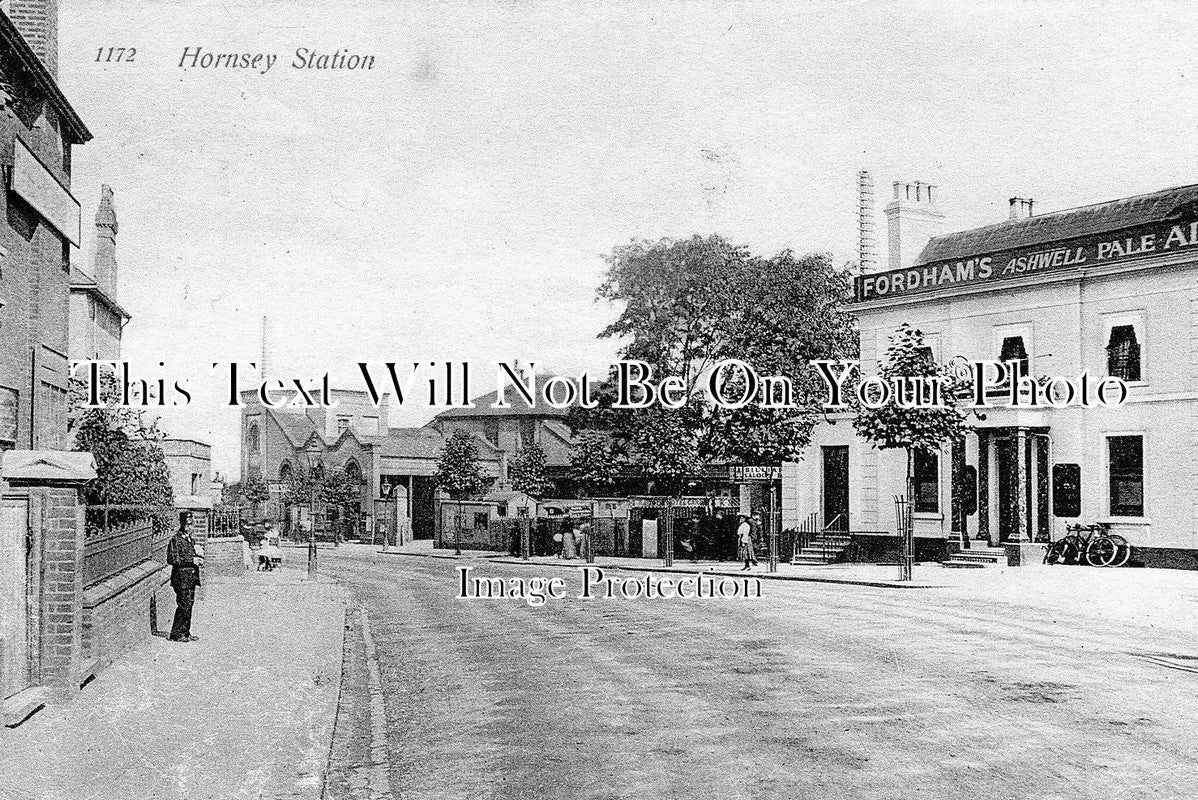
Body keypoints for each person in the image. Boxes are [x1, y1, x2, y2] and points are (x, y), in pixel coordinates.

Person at [167, 515, 203, 642]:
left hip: (190, 578)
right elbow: (172, 559)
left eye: (191, 524)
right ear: (182, 525)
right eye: (188, 524)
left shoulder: (189, 539)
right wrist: (191, 560)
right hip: (181, 579)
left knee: (189, 605)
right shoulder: (176, 540)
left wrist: (197, 556)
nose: (190, 527)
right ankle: (176, 634)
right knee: (184, 606)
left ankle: (186, 632)